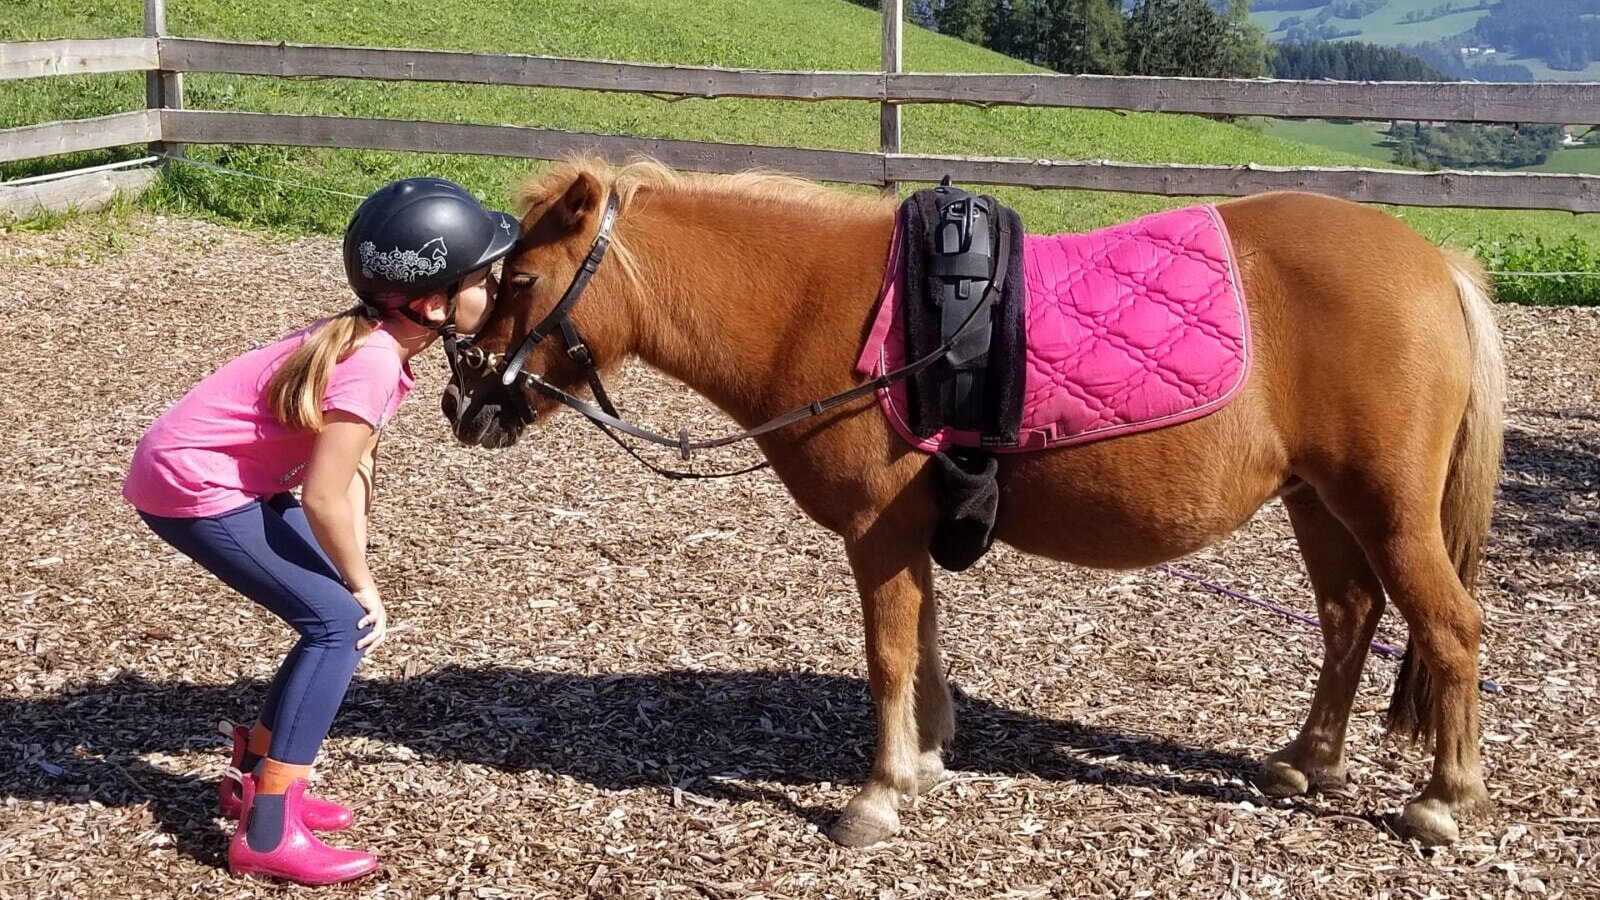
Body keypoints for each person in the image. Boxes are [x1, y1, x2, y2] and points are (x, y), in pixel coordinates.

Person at [123, 178, 519, 885]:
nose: (494, 292)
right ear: (432, 304)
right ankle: (267, 830)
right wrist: (361, 587)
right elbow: (324, 496)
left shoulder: (373, 342)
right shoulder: (369, 364)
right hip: (193, 488)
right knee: (339, 627)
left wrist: (351, 571)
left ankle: (253, 779)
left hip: (219, 476)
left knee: (332, 617)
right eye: (483, 279)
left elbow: (354, 473)